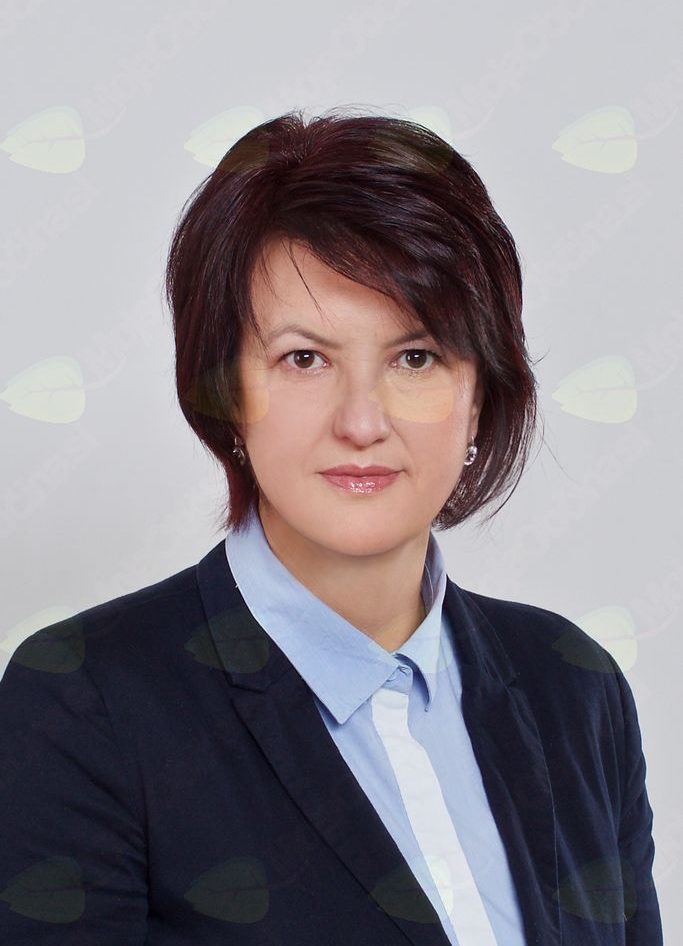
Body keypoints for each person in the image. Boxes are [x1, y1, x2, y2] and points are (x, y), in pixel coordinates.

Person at [0, 109, 662, 945]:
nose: (361, 421)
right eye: (303, 359)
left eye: (415, 357)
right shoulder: (86, 701)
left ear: (478, 395)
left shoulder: (572, 686)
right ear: (225, 392)